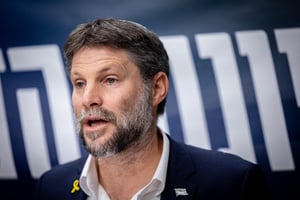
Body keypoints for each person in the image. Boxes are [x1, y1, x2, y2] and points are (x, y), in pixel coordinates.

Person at [36, 18, 271, 200]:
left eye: (109, 80)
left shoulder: (231, 183)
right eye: (79, 83)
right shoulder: (51, 186)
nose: (88, 99)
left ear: (157, 88)